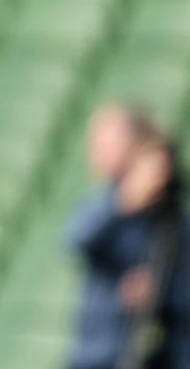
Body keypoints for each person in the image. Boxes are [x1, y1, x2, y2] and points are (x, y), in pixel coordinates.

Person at [68, 105, 190, 369]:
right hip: (98, 351)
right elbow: (77, 239)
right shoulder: (111, 208)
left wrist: (159, 291)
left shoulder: (175, 225)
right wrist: (126, 200)